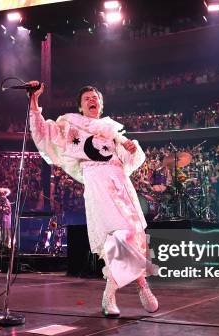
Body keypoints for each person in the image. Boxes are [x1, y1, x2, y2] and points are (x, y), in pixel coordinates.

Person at [27, 80, 159, 317]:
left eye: (95, 97)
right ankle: (136, 287)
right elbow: (43, 132)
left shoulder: (112, 132)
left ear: (101, 104)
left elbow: (128, 163)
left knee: (133, 235)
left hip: (120, 185)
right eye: (86, 98)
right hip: (97, 184)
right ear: (80, 107)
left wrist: (130, 149)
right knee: (117, 236)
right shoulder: (71, 126)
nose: (91, 100)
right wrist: (34, 99)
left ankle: (124, 289)